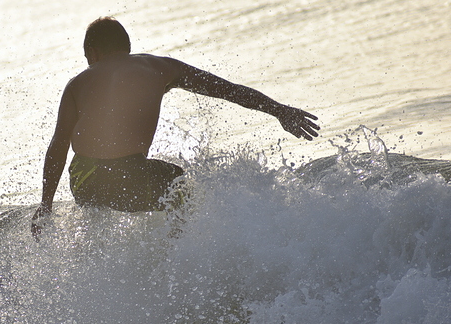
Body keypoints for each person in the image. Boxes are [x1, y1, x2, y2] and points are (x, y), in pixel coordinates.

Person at [31, 17, 319, 239]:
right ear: (127, 47)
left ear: (92, 52)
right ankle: (177, 259)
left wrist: (46, 206)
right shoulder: (159, 68)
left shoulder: (79, 83)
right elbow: (226, 90)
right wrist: (279, 110)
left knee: (158, 183)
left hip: (86, 182)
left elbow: (59, 145)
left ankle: (111, 256)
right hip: (129, 177)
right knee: (178, 185)